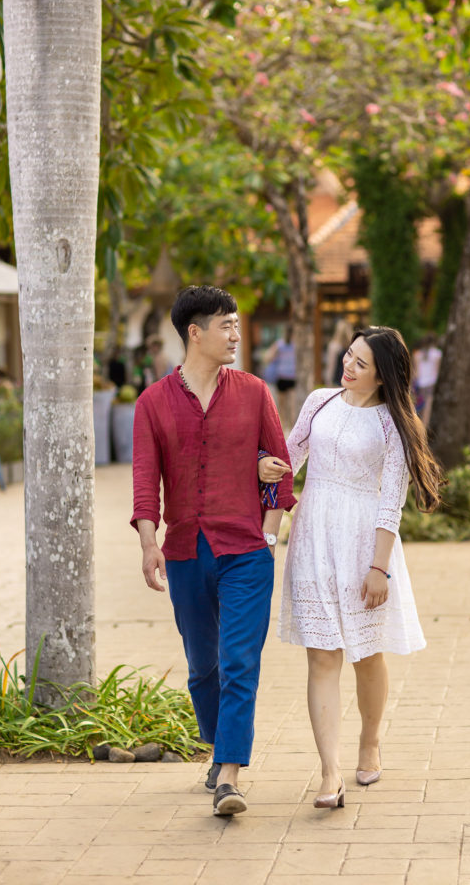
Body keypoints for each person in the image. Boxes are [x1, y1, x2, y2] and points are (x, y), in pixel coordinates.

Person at [258, 326, 442, 809]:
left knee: (365, 655)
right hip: (313, 535)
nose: (348, 366)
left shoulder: (393, 425)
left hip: (364, 545)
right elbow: (290, 458)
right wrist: (268, 500)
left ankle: (370, 741)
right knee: (321, 655)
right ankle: (330, 773)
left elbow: (390, 503)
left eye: (361, 363)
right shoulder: (319, 401)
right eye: (348, 355)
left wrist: (379, 569)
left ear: (383, 375)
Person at [131, 285, 296, 817]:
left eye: (237, 325)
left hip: (247, 550)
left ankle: (229, 775)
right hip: (184, 551)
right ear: (194, 333)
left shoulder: (254, 392)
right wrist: (148, 542)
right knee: (204, 668)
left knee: (240, 662)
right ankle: (218, 745)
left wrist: (269, 536)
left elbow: (281, 472)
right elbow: (143, 479)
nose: (236, 335)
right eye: (226, 325)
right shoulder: (152, 402)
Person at [265, 325, 296, 429]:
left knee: (282, 405)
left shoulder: (280, 344)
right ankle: (291, 426)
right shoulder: (296, 345)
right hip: (292, 377)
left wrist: (275, 358)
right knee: (291, 405)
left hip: (281, 377)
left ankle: (283, 426)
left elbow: (267, 357)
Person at [411, 333, 442, 428]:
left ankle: (416, 427)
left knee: (419, 406)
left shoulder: (417, 354)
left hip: (420, 383)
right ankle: (424, 429)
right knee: (428, 407)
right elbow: (437, 370)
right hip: (431, 383)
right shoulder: (437, 354)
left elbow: (415, 372)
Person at [323, 318, 353, 387]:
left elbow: (330, 366)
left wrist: (328, 383)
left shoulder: (334, 346)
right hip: (349, 380)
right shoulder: (352, 346)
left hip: (337, 381)